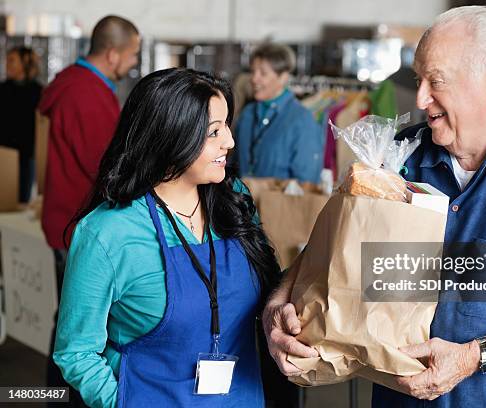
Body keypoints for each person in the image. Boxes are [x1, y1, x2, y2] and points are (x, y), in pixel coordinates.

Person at [262, 6, 486, 408]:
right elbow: (332, 250)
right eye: (418, 79)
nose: (422, 97)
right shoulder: (399, 155)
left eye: (436, 81)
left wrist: (471, 356)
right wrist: (279, 304)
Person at [53, 68, 281, 408]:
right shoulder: (108, 233)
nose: (230, 141)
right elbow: (76, 352)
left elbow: (269, 286)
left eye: (227, 125)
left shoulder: (232, 200)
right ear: (172, 135)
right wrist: (124, 402)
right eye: (213, 132)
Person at [37, 15, 140, 407]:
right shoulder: (87, 94)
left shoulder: (71, 81)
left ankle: (56, 396)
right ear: (112, 53)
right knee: (76, 327)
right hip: (78, 224)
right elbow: (106, 167)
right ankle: (60, 398)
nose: (132, 62)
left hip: (64, 216)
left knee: (68, 318)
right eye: (131, 55)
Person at [233, 43, 323, 183]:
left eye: (263, 73)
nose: (254, 78)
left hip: (280, 204)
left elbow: (307, 182)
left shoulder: (302, 120)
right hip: (241, 203)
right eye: (252, 71)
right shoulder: (247, 114)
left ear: (283, 77)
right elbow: (233, 166)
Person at [0, 46, 43, 204]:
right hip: (3, 153)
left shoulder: (39, 92)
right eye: (7, 60)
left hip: (26, 156)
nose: (7, 64)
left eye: (12, 60)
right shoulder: (2, 90)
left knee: (21, 202)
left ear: (25, 63)